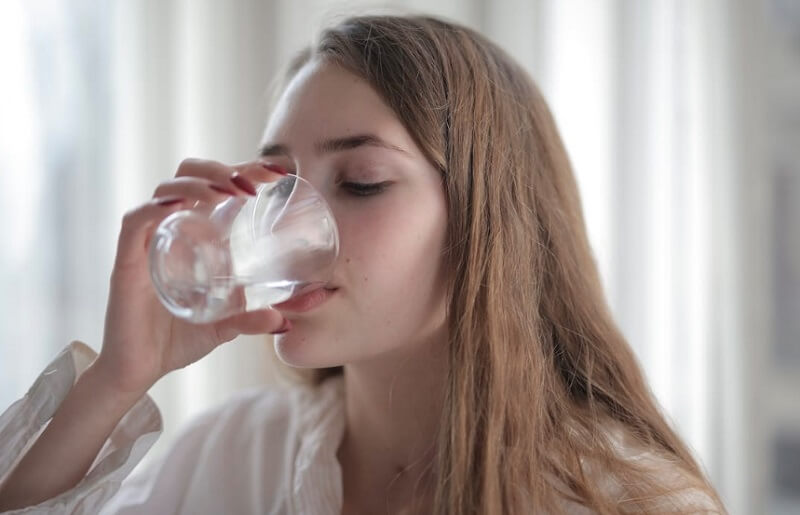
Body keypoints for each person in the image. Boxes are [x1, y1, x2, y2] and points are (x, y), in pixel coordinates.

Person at [0, 14, 725, 514]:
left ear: (486, 222)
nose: (289, 225)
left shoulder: (626, 500)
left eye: (362, 182)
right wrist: (114, 382)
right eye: (275, 184)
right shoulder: (230, 456)